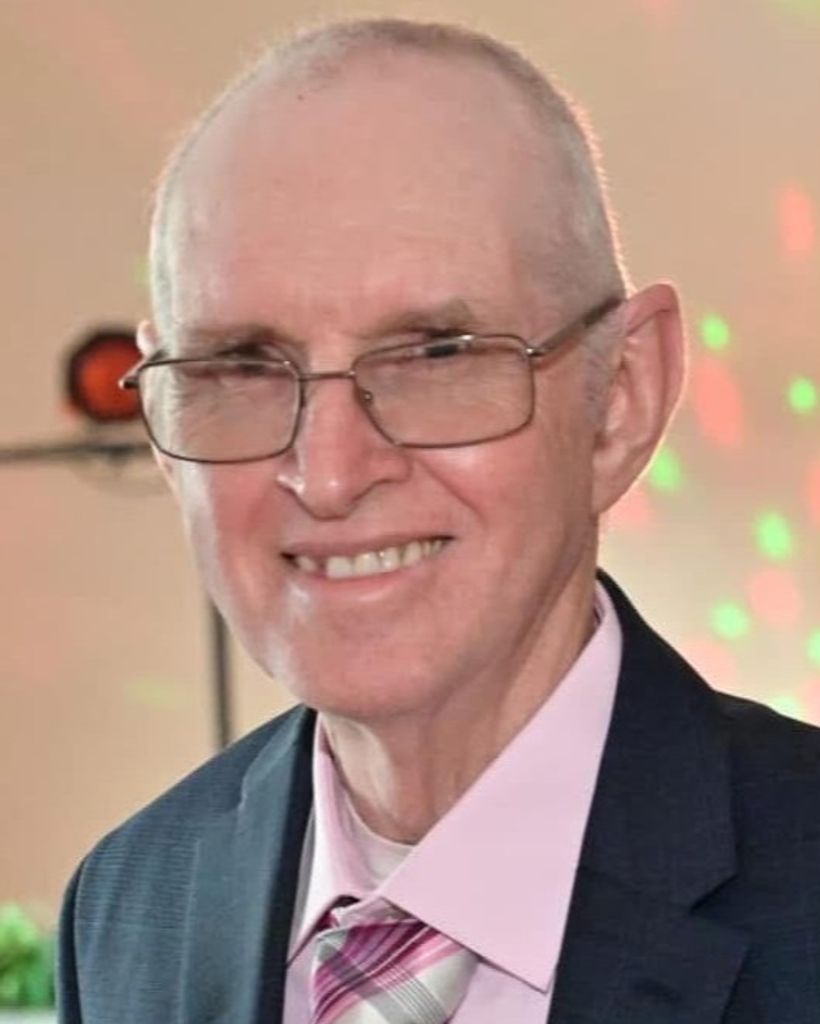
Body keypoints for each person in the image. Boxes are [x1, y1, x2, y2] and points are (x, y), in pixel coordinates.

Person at [58, 18, 820, 1024]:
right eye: (241, 366)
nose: (329, 473)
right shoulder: (129, 905)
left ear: (623, 395)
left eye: (437, 355)